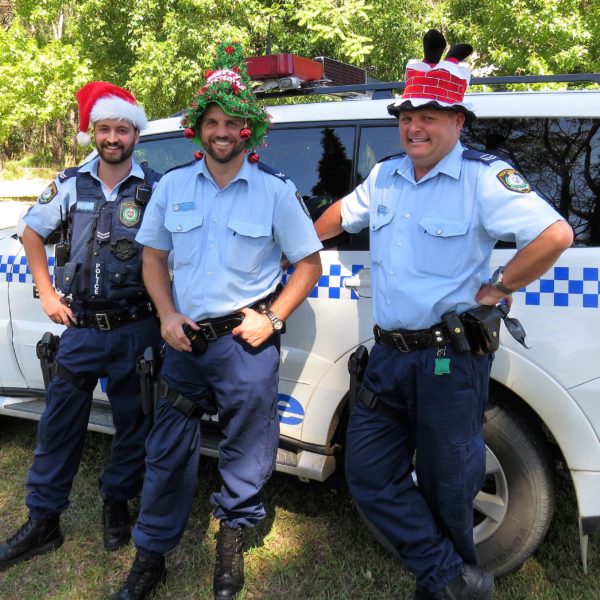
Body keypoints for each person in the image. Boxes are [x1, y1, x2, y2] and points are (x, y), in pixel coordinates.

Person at [314, 30, 574, 600]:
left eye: (429, 116)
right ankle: (453, 578)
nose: (415, 127)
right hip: (387, 356)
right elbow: (341, 215)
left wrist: (500, 285)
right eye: (408, 116)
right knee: (368, 473)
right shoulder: (386, 175)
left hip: (447, 362)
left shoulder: (482, 177)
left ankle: (441, 587)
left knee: (448, 486)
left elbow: (556, 234)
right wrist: (298, 243)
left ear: (457, 121)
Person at [112, 42, 322, 600]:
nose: (222, 132)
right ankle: (151, 554)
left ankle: (231, 540)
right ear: (198, 129)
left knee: (246, 451)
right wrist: (165, 314)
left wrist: (273, 318)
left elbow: (308, 264)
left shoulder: (274, 191)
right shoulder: (173, 186)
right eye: (212, 122)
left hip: (244, 344)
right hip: (185, 342)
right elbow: (153, 257)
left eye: (232, 122)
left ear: (248, 129)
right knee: (166, 451)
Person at [0, 82, 162, 571]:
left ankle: (117, 501)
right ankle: (43, 520)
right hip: (82, 328)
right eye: (105, 129)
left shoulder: (156, 187)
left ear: (136, 134)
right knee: (59, 426)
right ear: (94, 133)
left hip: (137, 327)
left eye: (122, 130)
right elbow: (31, 233)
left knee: (134, 425)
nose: (113, 138)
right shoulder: (71, 183)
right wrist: (48, 294)